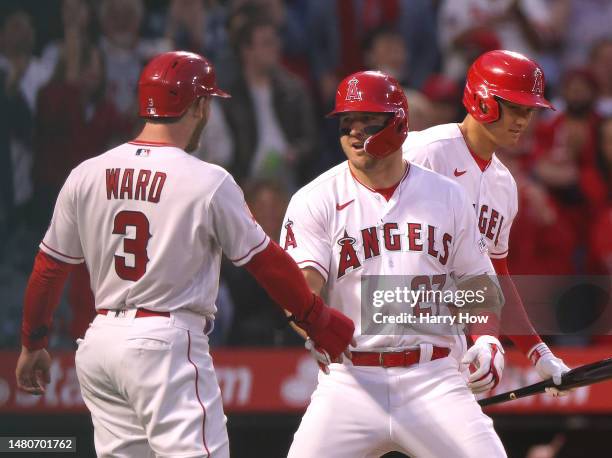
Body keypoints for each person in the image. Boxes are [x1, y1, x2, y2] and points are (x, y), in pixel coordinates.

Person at [15, 51, 354, 458]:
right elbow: (266, 263)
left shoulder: (86, 173)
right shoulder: (206, 179)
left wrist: (33, 342)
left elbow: (49, 269)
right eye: (206, 101)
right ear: (197, 105)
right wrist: (316, 318)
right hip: (165, 343)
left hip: (100, 343)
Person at [282, 70, 507, 457]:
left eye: (367, 122)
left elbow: (479, 285)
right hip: (350, 379)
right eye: (345, 123)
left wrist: (487, 339)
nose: (354, 133)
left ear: (399, 125)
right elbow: (300, 287)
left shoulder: (447, 196)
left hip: (433, 376)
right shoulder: (314, 198)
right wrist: (314, 321)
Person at [403, 50, 571, 394]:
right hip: (388, 338)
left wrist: (537, 353)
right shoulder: (426, 152)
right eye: (516, 107)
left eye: (530, 111)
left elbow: (494, 278)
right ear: (483, 100)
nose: (525, 120)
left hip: (448, 347)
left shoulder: (503, 184)